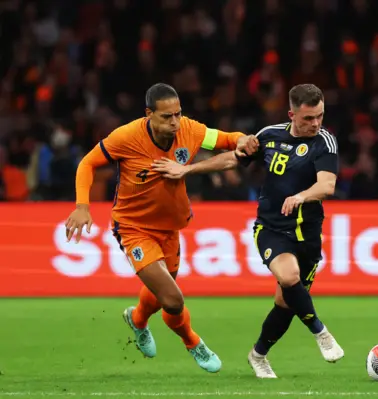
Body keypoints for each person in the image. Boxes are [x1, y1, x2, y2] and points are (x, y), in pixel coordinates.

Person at [152, 83, 344, 378]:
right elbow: (232, 158)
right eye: (308, 118)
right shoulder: (269, 136)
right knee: (289, 277)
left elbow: (327, 185)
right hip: (271, 229)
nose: (315, 123)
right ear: (291, 114)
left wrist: (302, 196)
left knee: (286, 302)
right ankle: (321, 333)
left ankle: (258, 355)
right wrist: (188, 169)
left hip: (308, 235)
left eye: (319, 116)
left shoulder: (325, 142)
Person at [64, 83, 259, 372]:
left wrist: (244, 139)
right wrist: (82, 206)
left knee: (160, 298)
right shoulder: (126, 137)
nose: (174, 122)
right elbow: (87, 163)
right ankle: (193, 342)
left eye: (178, 114)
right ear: (149, 114)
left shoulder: (189, 130)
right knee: (173, 298)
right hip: (133, 227)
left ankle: (138, 320)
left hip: (170, 228)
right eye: (167, 116)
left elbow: (228, 139)